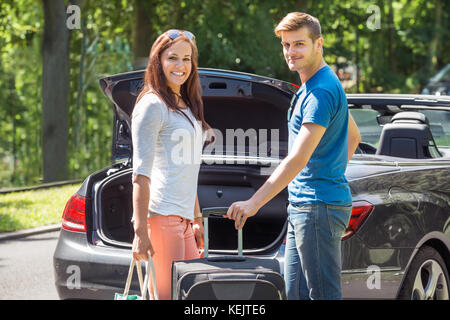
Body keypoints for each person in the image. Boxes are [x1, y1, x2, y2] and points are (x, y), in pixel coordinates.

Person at [225, 12, 361, 300]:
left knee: (323, 295)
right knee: (295, 293)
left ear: (318, 44)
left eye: (299, 44)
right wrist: (329, 172)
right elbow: (354, 136)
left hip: (317, 207)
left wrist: (253, 203)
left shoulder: (320, 92)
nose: (290, 52)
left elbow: (297, 159)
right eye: (286, 45)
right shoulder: (318, 84)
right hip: (307, 205)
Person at [131, 29, 211, 300]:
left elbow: (188, 169)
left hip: (184, 221)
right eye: (173, 58)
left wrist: (196, 218)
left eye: (187, 59)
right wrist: (140, 231)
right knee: (168, 297)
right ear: (158, 60)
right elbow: (140, 174)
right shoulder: (152, 105)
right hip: (163, 219)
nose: (181, 66)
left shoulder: (185, 104)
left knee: (190, 298)